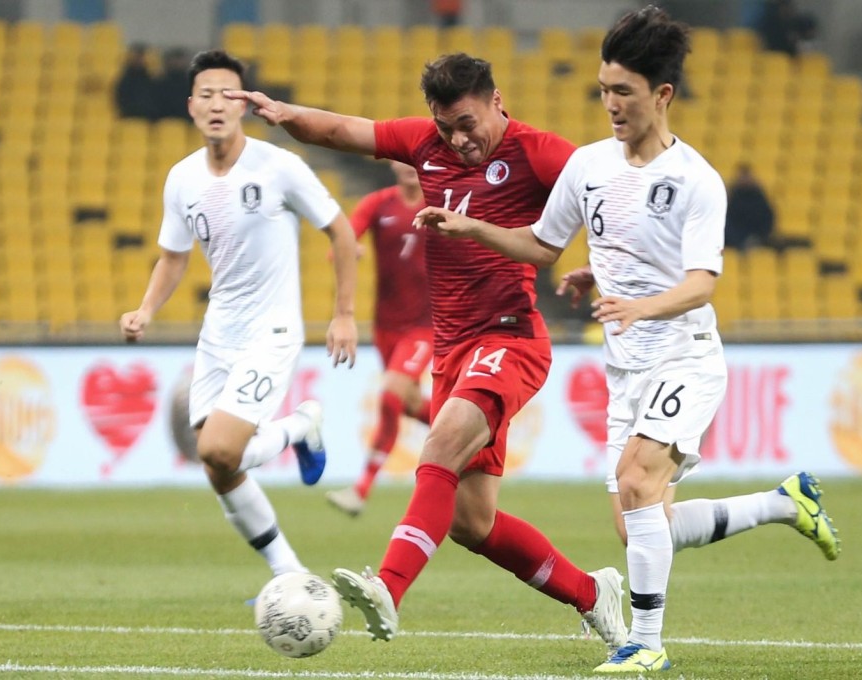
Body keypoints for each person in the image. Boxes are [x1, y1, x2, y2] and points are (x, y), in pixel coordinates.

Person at [415, 7, 840, 673]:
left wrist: (642, 306)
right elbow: (542, 245)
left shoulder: (696, 180)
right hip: (626, 371)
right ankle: (783, 503)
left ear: (661, 95)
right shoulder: (588, 167)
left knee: (637, 482)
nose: (610, 104)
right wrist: (473, 232)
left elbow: (701, 283)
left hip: (685, 359)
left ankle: (645, 642)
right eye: (603, 89)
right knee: (642, 522)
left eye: (624, 92)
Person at [225, 53, 628, 650]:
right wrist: (285, 115)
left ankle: (387, 586)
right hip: (453, 350)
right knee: (472, 522)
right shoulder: (424, 145)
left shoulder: (538, 151)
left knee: (439, 443)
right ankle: (593, 596)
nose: (459, 140)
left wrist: (601, 265)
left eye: (468, 123)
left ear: (496, 100)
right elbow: (342, 131)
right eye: (446, 128)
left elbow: (614, 200)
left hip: (510, 336)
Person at [120, 49, 358, 583]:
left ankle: (300, 426)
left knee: (219, 448)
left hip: (271, 330)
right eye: (206, 95)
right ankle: (290, 573)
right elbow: (173, 257)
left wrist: (343, 315)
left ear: (245, 105)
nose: (217, 105)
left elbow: (341, 231)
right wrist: (145, 309)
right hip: (218, 334)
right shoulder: (182, 179)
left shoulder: (278, 167)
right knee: (217, 467)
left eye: (228, 94)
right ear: (190, 107)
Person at [326, 160, 434, 518]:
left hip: (426, 324)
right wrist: (347, 251)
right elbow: (342, 240)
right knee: (406, 401)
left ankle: (361, 489)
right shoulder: (377, 204)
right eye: (402, 160)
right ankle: (474, 430)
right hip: (386, 326)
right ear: (391, 162)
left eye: (415, 161)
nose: (409, 167)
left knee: (390, 394)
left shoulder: (438, 205)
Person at [724, 163, 774, 249]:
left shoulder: (759, 197)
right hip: (734, 240)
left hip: (756, 239)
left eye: (746, 176)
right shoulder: (732, 197)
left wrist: (758, 237)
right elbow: (727, 221)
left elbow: (766, 219)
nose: (744, 179)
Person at [114, 44, 159, 120]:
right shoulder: (125, 80)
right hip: (129, 117)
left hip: (148, 118)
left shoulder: (151, 80)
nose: (139, 60)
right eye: (137, 57)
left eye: (141, 57)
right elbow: (121, 99)